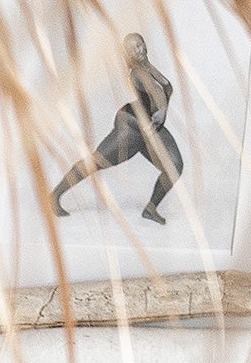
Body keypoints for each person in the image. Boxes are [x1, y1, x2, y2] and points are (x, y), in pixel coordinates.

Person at [51, 33, 183, 223]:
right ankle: (54, 196)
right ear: (127, 54)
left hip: (151, 128)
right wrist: (162, 110)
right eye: (133, 49)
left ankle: (150, 209)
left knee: (175, 166)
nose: (139, 50)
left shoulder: (146, 66)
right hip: (132, 128)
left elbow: (165, 89)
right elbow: (158, 94)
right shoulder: (138, 73)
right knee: (95, 162)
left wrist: (162, 111)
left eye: (140, 45)